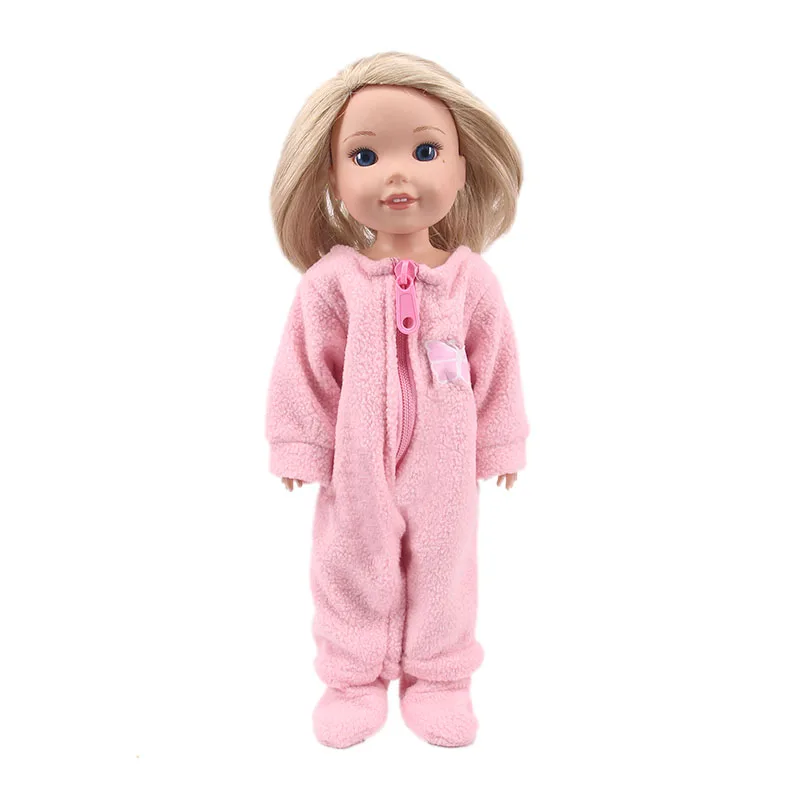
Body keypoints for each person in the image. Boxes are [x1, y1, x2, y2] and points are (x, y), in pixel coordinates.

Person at [266, 51, 530, 748]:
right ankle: (352, 677)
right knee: (349, 560)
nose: (397, 174)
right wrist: (301, 446)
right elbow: (305, 369)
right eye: (365, 155)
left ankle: (439, 677)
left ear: (462, 168)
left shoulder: (471, 283)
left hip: (446, 459)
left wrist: (500, 442)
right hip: (356, 458)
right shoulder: (332, 284)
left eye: (424, 151)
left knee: (446, 561)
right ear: (332, 177)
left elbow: (497, 365)